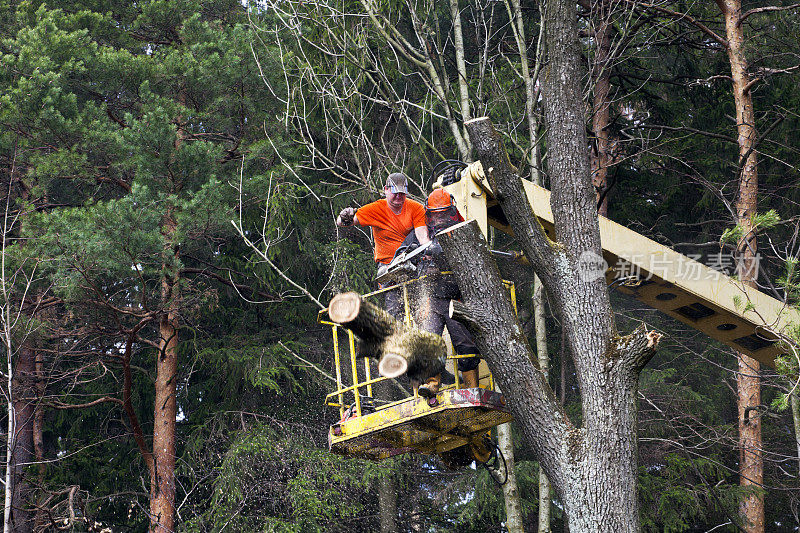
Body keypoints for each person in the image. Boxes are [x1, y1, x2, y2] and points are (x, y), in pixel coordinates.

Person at [336, 172, 430, 318]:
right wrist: (344, 216)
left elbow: (422, 235)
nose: (399, 197)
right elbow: (342, 223)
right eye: (395, 193)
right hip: (388, 267)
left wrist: (429, 251)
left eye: (402, 194)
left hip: (412, 263)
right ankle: (399, 337)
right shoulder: (376, 209)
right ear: (386, 189)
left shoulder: (416, 208)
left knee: (421, 310)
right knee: (395, 311)